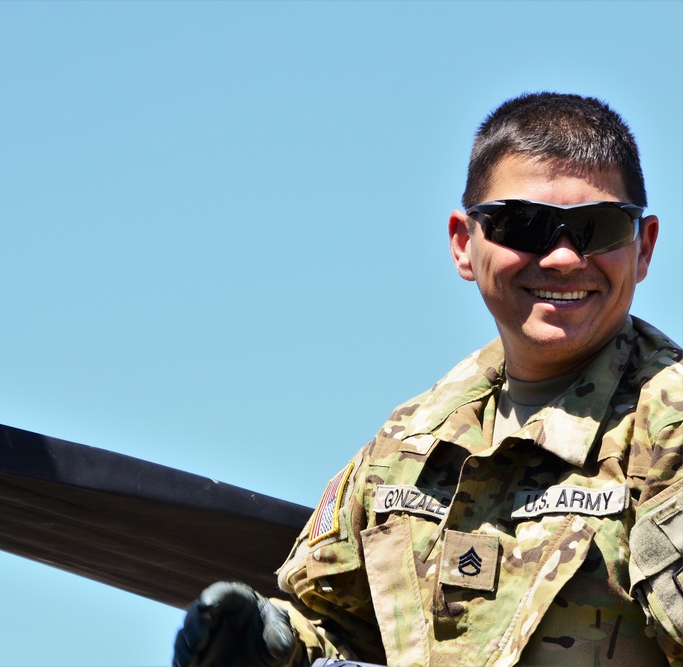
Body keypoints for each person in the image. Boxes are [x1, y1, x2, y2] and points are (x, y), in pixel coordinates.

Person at [172, 92, 683, 666]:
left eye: (598, 227)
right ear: (465, 244)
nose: (564, 258)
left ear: (643, 248)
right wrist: (277, 645)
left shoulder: (670, 431)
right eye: (525, 226)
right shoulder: (409, 443)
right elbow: (341, 627)